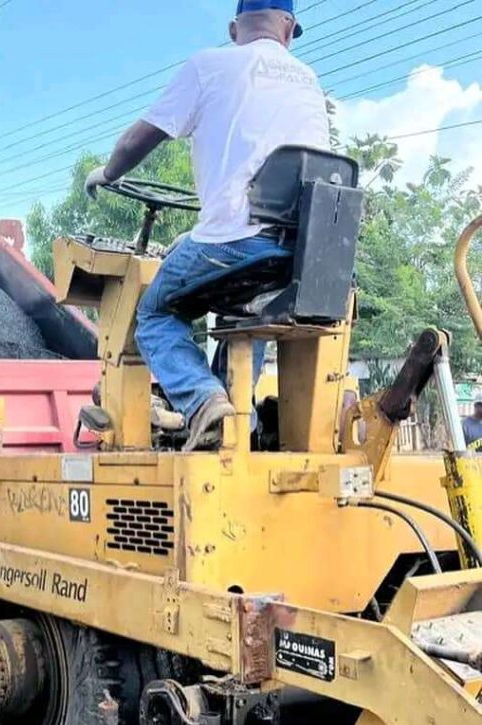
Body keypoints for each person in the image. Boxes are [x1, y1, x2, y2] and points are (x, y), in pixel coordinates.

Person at [85, 0, 329, 450]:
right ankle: (232, 422)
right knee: (247, 309)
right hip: (301, 251)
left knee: (154, 313)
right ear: (289, 29)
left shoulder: (209, 65)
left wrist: (108, 172)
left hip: (234, 242)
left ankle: (202, 400)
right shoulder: (309, 80)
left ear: (234, 29)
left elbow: (141, 138)